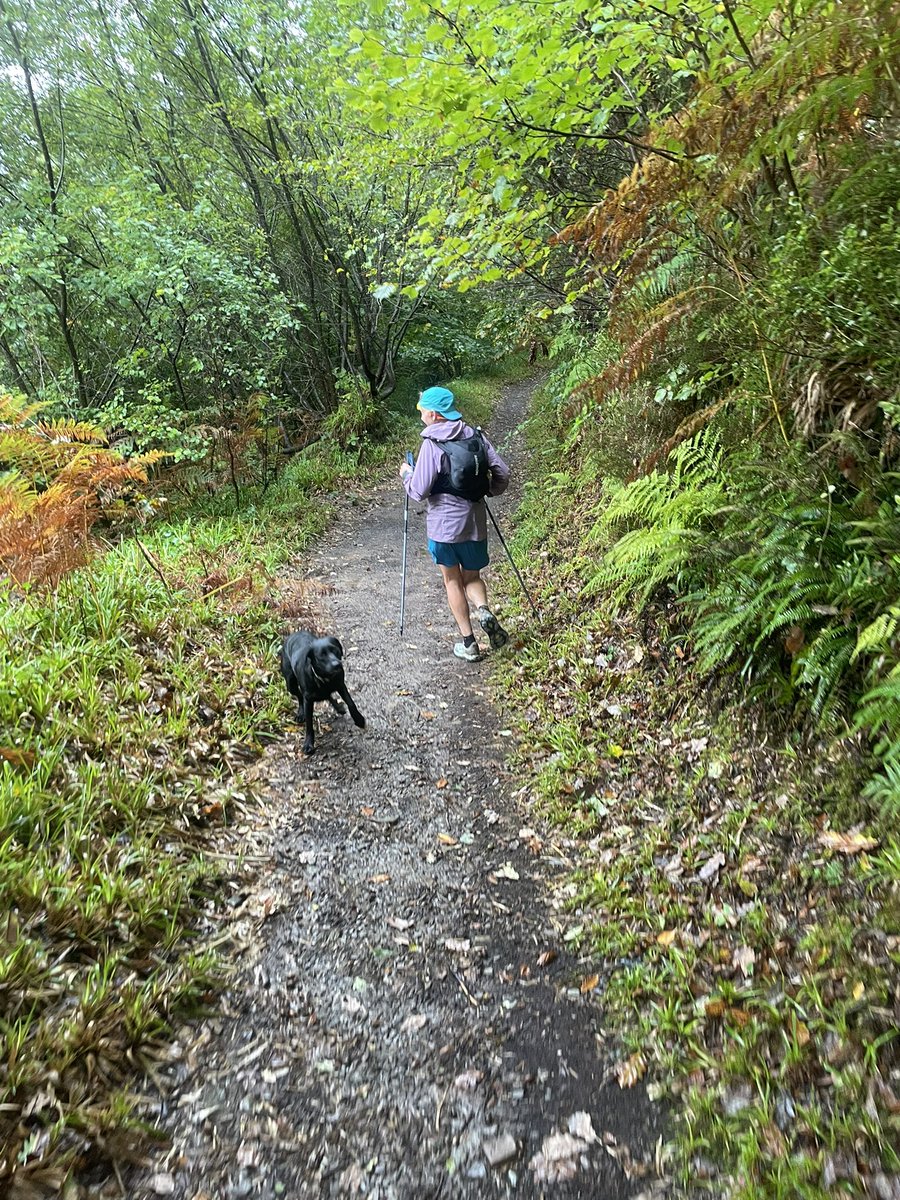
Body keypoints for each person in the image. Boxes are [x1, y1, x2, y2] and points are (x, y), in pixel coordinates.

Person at [399, 386, 510, 662]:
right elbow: (503, 473)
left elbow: (418, 491)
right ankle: (483, 609)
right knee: (472, 578)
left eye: (422, 411)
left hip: (444, 529)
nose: (421, 415)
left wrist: (406, 474)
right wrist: (489, 491)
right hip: (475, 524)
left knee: (452, 581)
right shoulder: (475, 435)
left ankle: (469, 643)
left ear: (434, 415)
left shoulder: (431, 445)